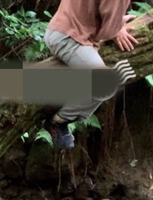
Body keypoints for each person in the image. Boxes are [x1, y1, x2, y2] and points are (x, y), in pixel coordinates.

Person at [44, 0, 137, 149]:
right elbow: (109, 31)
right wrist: (116, 29)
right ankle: (58, 121)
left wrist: (116, 21)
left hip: (60, 31)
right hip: (70, 40)